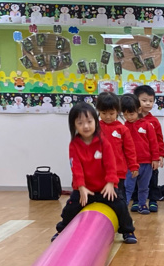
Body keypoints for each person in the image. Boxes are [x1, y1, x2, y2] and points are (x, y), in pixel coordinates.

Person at [54, 102, 137, 244]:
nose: (86, 126)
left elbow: (110, 164)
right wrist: (81, 187)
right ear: (74, 125)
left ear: (95, 121)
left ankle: (128, 230)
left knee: (121, 206)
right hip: (85, 189)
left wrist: (110, 183)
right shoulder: (74, 145)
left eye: (89, 122)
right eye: (80, 123)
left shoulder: (103, 142)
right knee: (70, 208)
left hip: (105, 188)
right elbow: (76, 168)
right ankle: (61, 230)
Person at [96, 92, 137, 203]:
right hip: (99, 171)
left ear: (118, 111)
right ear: (98, 111)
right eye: (104, 113)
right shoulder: (95, 127)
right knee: (101, 198)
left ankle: (123, 214)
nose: (108, 117)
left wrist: (133, 165)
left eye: (111, 113)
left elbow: (130, 149)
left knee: (119, 199)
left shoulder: (122, 129)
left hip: (118, 171)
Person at [122, 93, 158, 215]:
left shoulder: (147, 125)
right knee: (128, 187)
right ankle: (124, 207)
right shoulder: (124, 127)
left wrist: (155, 159)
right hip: (130, 164)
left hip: (146, 163)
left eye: (131, 114)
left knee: (144, 187)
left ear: (138, 110)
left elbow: (153, 143)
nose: (128, 117)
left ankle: (142, 204)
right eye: (125, 114)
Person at [130, 84, 164, 212]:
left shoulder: (154, 121)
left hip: (151, 159)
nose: (148, 103)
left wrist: (160, 155)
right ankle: (136, 200)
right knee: (134, 180)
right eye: (144, 100)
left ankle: (153, 200)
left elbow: (159, 139)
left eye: (151, 101)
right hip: (135, 159)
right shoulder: (131, 120)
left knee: (152, 180)